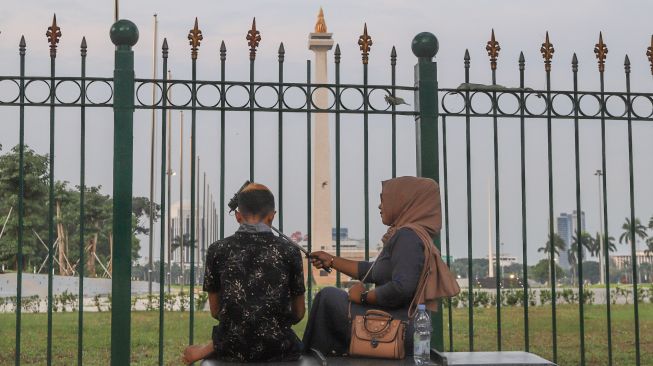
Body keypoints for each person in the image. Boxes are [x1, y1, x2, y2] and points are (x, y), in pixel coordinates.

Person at [303, 176, 459, 357]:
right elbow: (372, 271)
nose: (379, 206)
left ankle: (313, 358)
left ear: (403, 202)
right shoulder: (409, 235)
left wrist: (363, 297)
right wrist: (331, 260)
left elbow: (402, 288)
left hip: (397, 327)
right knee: (330, 297)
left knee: (328, 297)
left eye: (383, 199)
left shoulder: (407, 236)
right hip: (396, 321)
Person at [183, 183, 306, 364]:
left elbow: (216, 311)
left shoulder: (218, 250)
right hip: (280, 349)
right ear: (272, 216)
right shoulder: (289, 251)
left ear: (238, 216)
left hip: (230, 348)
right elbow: (299, 313)